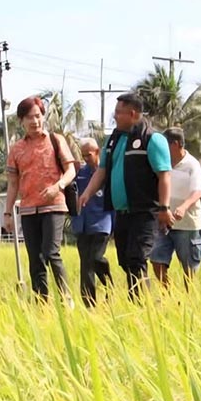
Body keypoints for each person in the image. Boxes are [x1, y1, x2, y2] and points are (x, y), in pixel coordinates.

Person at [77, 92, 173, 300]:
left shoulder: (152, 139)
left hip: (145, 211)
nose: (115, 116)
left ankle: (142, 305)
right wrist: (86, 193)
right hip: (122, 211)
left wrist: (164, 208)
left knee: (137, 258)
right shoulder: (114, 140)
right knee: (125, 260)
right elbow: (102, 170)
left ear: (133, 114)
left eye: (119, 112)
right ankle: (140, 301)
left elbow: (164, 175)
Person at [2, 96, 77, 303]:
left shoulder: (55, 140)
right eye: (29, 117)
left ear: (43, 117)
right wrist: (7, 213)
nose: (34, 121)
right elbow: (13, 184)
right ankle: (41, 302)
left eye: (38, 116)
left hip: (53, 206)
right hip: (28, 209)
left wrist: (58, 186)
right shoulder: (16, 149)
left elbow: (71, 170)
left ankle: (65, 299)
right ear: (21, 121)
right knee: (35, 258)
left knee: (51, 253)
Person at [150, 127, 201, 288]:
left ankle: (189, 297)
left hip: (187, 224)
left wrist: (184, 207)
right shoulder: (162, 164)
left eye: (165, 144)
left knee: (189, 268)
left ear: (175, 144)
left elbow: (198, 191)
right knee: (156, 259)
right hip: (164, 221)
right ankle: (168, 293)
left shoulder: (192, 164)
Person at [71, 138, 113, 306]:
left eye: (88, 155)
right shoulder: (80, 173)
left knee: (96, 258)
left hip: (102, 222)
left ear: (97, 152)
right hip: (82, 223)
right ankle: (89, 303)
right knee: (85, 264)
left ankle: (109, 285)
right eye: (83, 156)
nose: (86, 159)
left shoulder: (107, 173)